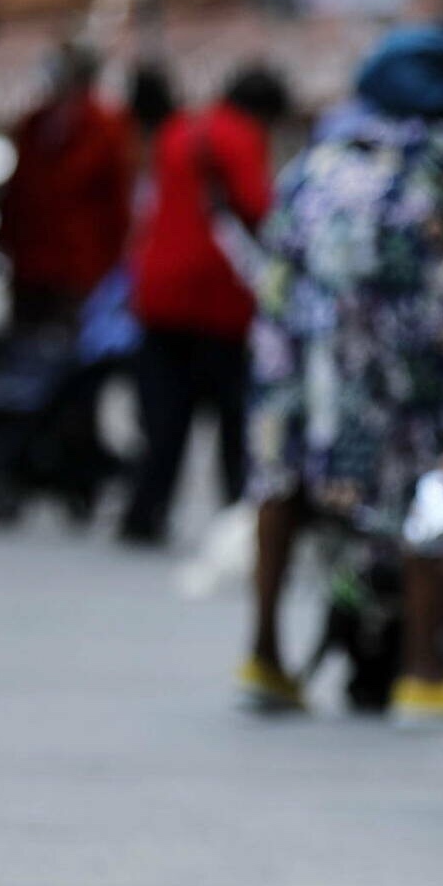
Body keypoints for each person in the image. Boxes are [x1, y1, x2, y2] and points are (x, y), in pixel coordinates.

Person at [237, 81, 443, 723]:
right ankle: (424, 673)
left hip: (299, 354)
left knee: (282, 479)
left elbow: (276, 267)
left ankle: (264, 656)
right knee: (429, 479)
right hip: (398, 360)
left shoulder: (318, 157)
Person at [118, 65, 292, 547]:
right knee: (233, 420)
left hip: (158, 293)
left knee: (164, 419)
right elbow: (259, 208)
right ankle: (238, 519)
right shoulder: (241, 137)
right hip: (218, 300)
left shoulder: (178, 129)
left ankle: (144, 513)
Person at [0, 42, 132, 334]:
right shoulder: (35, 124)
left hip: (79, 270)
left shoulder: (105, 126)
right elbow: (18, 192)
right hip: (31, 268)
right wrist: (3, 238)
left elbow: (116, 204)